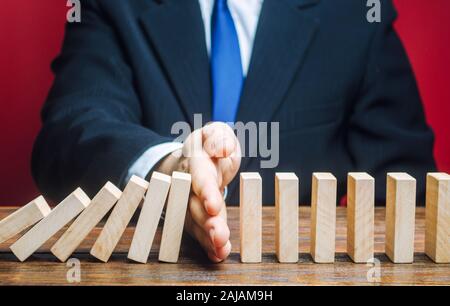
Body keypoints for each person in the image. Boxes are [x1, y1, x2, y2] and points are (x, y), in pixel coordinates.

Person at [32, 0, 436, 262]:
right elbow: (69, 134)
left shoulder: (355, 13)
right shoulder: (111, 6)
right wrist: (171, 166)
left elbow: (409, 189)